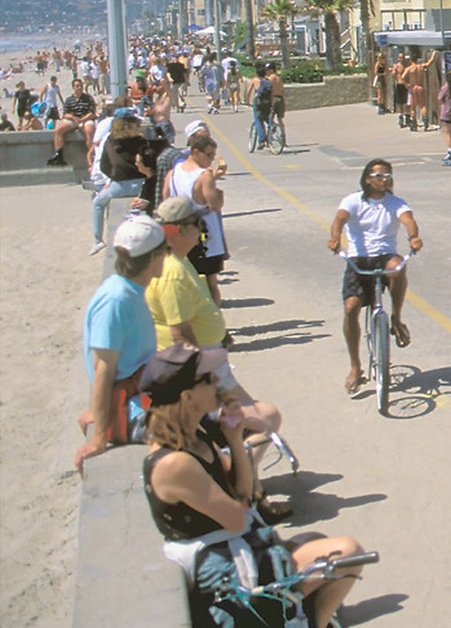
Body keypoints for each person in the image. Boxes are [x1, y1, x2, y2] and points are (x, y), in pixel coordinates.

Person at [139, 344, 368, 628]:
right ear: (188, 397)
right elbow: (235, 514)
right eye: (208, 380)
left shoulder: (198, 433)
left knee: (349, 554)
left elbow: (245, 492)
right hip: (225, 575)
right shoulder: (174, 463)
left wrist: (233, 438)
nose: (219, 384)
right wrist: (241, 493)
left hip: (246, 551)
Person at [148, 196, 290, 520]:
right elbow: (180, 337)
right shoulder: (171, 272)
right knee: (264, 420)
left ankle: (249, 485)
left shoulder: (177, 259)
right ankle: (247, 491)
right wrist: (212, 389)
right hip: (200, 373)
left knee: (262, 420)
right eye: (197, 223)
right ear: (179, 230)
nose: (202, 227)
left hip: (210, 366)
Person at [76, 215, 167, 473]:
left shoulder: (130, 290)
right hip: (132, 409)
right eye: (165, 252)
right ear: (153, 258)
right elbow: (103, 368)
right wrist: (99, 437)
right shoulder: (116, 300)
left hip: (142, 393)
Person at [328, 159, 422, 394]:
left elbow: (408, 219)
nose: (384, 179)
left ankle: (397, 318)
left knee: (398, 267)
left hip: (385, 255)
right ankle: (355, 366)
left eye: (388, 175)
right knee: (350, 309)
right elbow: (340, 218)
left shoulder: (395, 203)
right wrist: (335, 237)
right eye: (379, 175)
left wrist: (413, 238)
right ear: (367, 178)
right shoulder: (353, 201)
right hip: (359, 259)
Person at [165, 130, 229, 306]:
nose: (211, 159)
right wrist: (218, 192)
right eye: (208, 155)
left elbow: (166, 199)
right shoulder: (204, 176)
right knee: (210, 283)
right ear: (195, 152)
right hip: (205, 237)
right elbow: (215, 204)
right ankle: (214, 324)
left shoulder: (174, 172)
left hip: (180, 233)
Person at [90, 111, 152, 255]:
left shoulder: (110, 141)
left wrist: (112, 178)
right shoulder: (141, 141)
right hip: (142, 184)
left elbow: (104, 166)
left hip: (119, 186)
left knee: (98, 203)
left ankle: (98, 240)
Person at [46, 76, 97, 166]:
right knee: (58, 129)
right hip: (73, 119)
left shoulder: (88, 98)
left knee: (89, 130)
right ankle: (59, 155)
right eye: (77, 86)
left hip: (85, 119)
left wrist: (82, 119)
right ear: (73, 88)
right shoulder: (69, 100)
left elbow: (92, 113)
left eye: (81, 86)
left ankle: (92, 155)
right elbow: (65, 114)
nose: (79, 88)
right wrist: (73, 118)